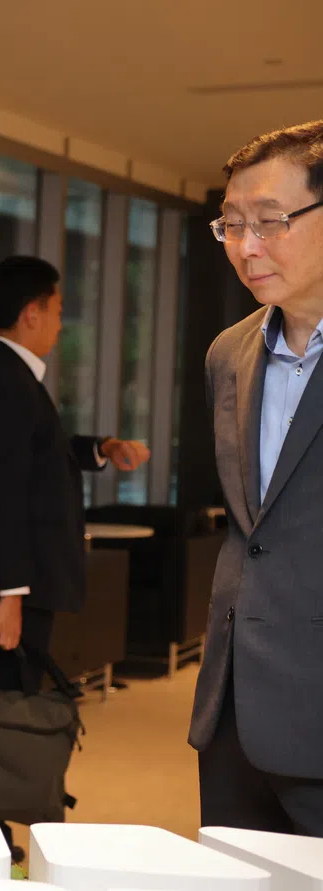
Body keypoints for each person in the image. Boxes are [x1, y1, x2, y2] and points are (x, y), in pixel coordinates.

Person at [0, 256, 149, 858]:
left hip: (11, 584)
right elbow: (2, 492)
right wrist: (11, 593)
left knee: (5, 702)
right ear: (32, 312)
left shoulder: (6, 373)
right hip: (4, 588)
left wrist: (102, 449)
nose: (61, 323)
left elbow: (39, 455)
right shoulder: (1, 378)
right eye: (57, 310)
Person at [190, 120, 323, 838]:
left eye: (271, 223)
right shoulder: (228, 353)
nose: (247, 246)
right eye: (232, 226)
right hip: (235, 710)